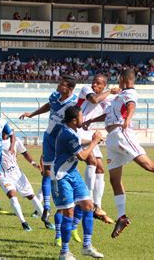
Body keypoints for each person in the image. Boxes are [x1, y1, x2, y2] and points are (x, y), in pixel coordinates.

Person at [83, 68, 154, 239]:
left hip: (122, 135)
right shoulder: (120, 94)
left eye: (119, 78)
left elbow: (131, 105)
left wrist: (128, 119)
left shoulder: (130, 92)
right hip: (112, 139)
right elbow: (108, 114)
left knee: (148, 165)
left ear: (123, 78)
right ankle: (122, 217)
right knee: (114, 180)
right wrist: (91, 120)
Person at [19, 75, 78, 234]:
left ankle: (65, 205)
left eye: (62, 84)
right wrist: (32, 114)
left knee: (60, 175)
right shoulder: (54, 96)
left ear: (70, 88)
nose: (58, 86)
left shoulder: (74, 103)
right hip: (48, 138)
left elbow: (77, 121)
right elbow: (49, 106)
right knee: (46, 173)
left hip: (62, 142)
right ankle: (46, 206)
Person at [52, 106, 104, 259]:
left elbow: (79, 141)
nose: (83, 119)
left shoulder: (70, 130)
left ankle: (87, 246)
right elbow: (82, 156)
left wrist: (93, 141)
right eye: (81, 117)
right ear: (74, 120)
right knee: (69, 212)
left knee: (88, 205)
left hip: (73, 173)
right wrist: (94, 141)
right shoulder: (68, 134)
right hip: (62, 176)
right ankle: (64, 252)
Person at [75, 74, 118, 228]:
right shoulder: (86, 89)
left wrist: (92, 120)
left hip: (91, 133)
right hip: (78, 132)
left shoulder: (107, 97)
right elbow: (94, 99)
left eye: (98, 84)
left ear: (104, 85)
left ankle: (97, 207)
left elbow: (107, 113)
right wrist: (110, 92)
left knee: (100, 169)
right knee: (92, 162)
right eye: (94, 82)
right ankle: (87, 201)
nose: (94, 85)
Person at [0, 134, 54, 231]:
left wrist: (33, 163)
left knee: (31, 195)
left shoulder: (15, 141)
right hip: (3, 175)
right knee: (12, 195)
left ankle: (46, 221)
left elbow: (24, 152)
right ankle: (24, 223)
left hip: (17, 173)